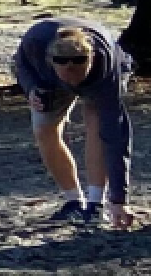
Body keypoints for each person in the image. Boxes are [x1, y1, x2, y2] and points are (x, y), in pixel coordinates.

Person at [9, 17, 136, 226]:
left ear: (91, 58)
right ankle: (74, 201)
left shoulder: (105, 66)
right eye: (66, 71)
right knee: (43, 129)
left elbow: (115, 136)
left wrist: (119, 200)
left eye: (78, 68)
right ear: (51, 61)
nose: (72, 76)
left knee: (97, 121)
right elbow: (22, 66)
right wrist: (31, 89)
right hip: (46, 80)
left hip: (100, 79)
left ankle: (97, 203)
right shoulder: (36, 43)